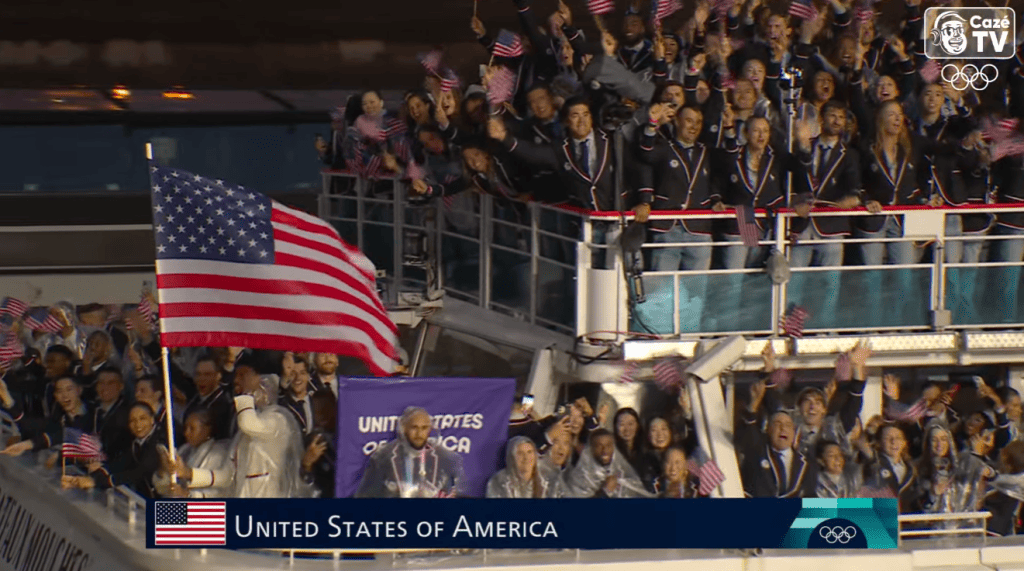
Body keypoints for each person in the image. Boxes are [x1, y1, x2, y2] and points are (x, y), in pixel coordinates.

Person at [177, 361, 312, 498]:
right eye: (236, 376)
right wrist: (188, 473)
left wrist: (246, 392)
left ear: (264, 380)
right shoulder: (242, 434)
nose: (236, 381)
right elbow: (227, 476)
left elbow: (249, 424)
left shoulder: (278, 420)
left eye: (243, 376)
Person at [355, 406, 465, 498]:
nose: (419, 433)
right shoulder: (383, 458)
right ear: (404, 428)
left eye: (424, 428)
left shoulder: (446, 458)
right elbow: (365, 497)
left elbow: (459, 495)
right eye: (414, 427)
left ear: (430, 429)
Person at [153, 409, 231, 498]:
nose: (186, 433)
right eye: (185, 428)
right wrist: (163, 470)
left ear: (207, 429)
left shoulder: (218, 453)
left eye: (192, 428)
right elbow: (162, 489)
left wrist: (187, 494)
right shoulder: (184, 449)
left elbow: (218, 493)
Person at [565, 428, 652, 498]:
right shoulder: (579, 478)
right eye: (599, 446)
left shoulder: (623, 473)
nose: (605, 450)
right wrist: (604, 492)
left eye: (609, 445)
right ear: (591, 449)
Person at [486, 436, 566, 498]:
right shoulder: (499, 481)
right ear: (512, 457)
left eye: (529, 452)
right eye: (520, 453)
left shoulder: (549, 479)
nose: (526, 457)